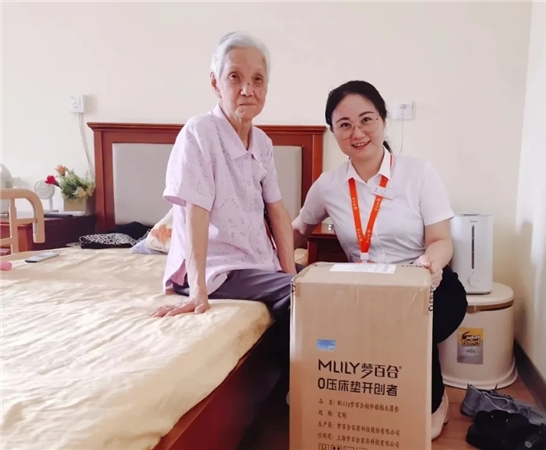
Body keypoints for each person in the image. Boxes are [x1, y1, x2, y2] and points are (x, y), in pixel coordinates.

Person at [292, 80, 468, 440]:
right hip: (363, 290)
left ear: (383, 120)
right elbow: (297, 230)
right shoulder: (328, 185)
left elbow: (441, 240)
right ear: (333, 132)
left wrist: (430, 265)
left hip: (424, 284)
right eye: (344, 125)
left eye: (366, 120)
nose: (357, 133)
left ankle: (433, 399)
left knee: (410, 326)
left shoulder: (418, 173)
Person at [151, 32, 297, 381]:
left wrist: (291, 273)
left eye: (257, 80)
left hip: (255, 263)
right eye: (235, 77)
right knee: (305, 296)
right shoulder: (199, 132)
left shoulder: (262, 142)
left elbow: (277, 211)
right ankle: (293, 390)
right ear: (215, 83)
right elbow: (195, 213)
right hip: (219, 267)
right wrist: (198, 290)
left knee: (316, 285)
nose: (248, 89)